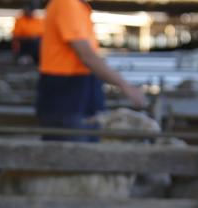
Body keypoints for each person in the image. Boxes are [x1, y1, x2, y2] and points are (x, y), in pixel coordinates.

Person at [36, 0, 146, 141]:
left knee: (86, 147)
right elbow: (87, 56)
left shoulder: (79, 7)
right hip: (66, 95)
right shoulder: (66, 3)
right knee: (73, 152)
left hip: (79, 90)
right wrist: (126, 86)